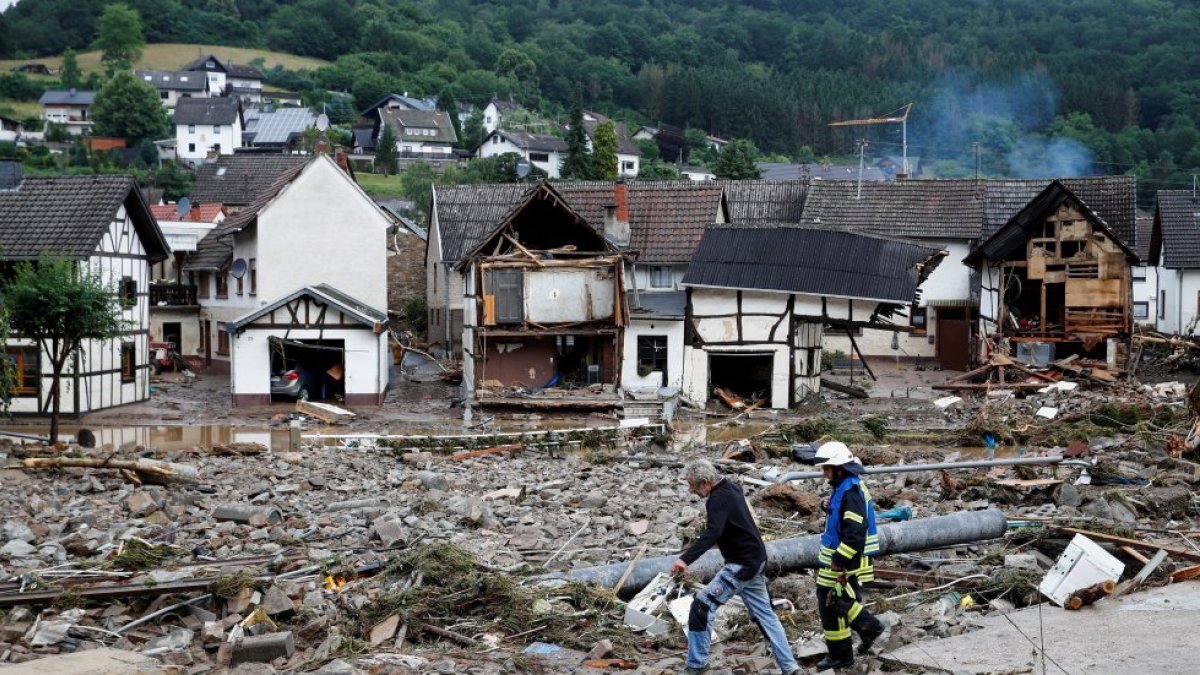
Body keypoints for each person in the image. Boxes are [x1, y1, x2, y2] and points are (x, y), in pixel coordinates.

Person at [671, 459, 801, 675]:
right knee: (766, 616)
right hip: (757, 560)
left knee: (701, 607)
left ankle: (697, 665)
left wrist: (684, 559)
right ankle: (790, 667)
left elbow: (713, 533)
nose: (690, 489)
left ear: (705, 483)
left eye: (692, 484)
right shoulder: (731, 486)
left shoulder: (717, 499)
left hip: (741, 565)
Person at [813, 441, 886, 671]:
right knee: (834, 602)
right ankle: (844, 651)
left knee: (836, 602)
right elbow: (840, 517)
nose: (824, 473)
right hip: (837, 560)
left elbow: (855, 534)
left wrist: (839, 561)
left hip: (844, 562)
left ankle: (869, 630)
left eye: (827, 468)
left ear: (840, 467)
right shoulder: (844, 487)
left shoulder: (850, 492)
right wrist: (826, 506)